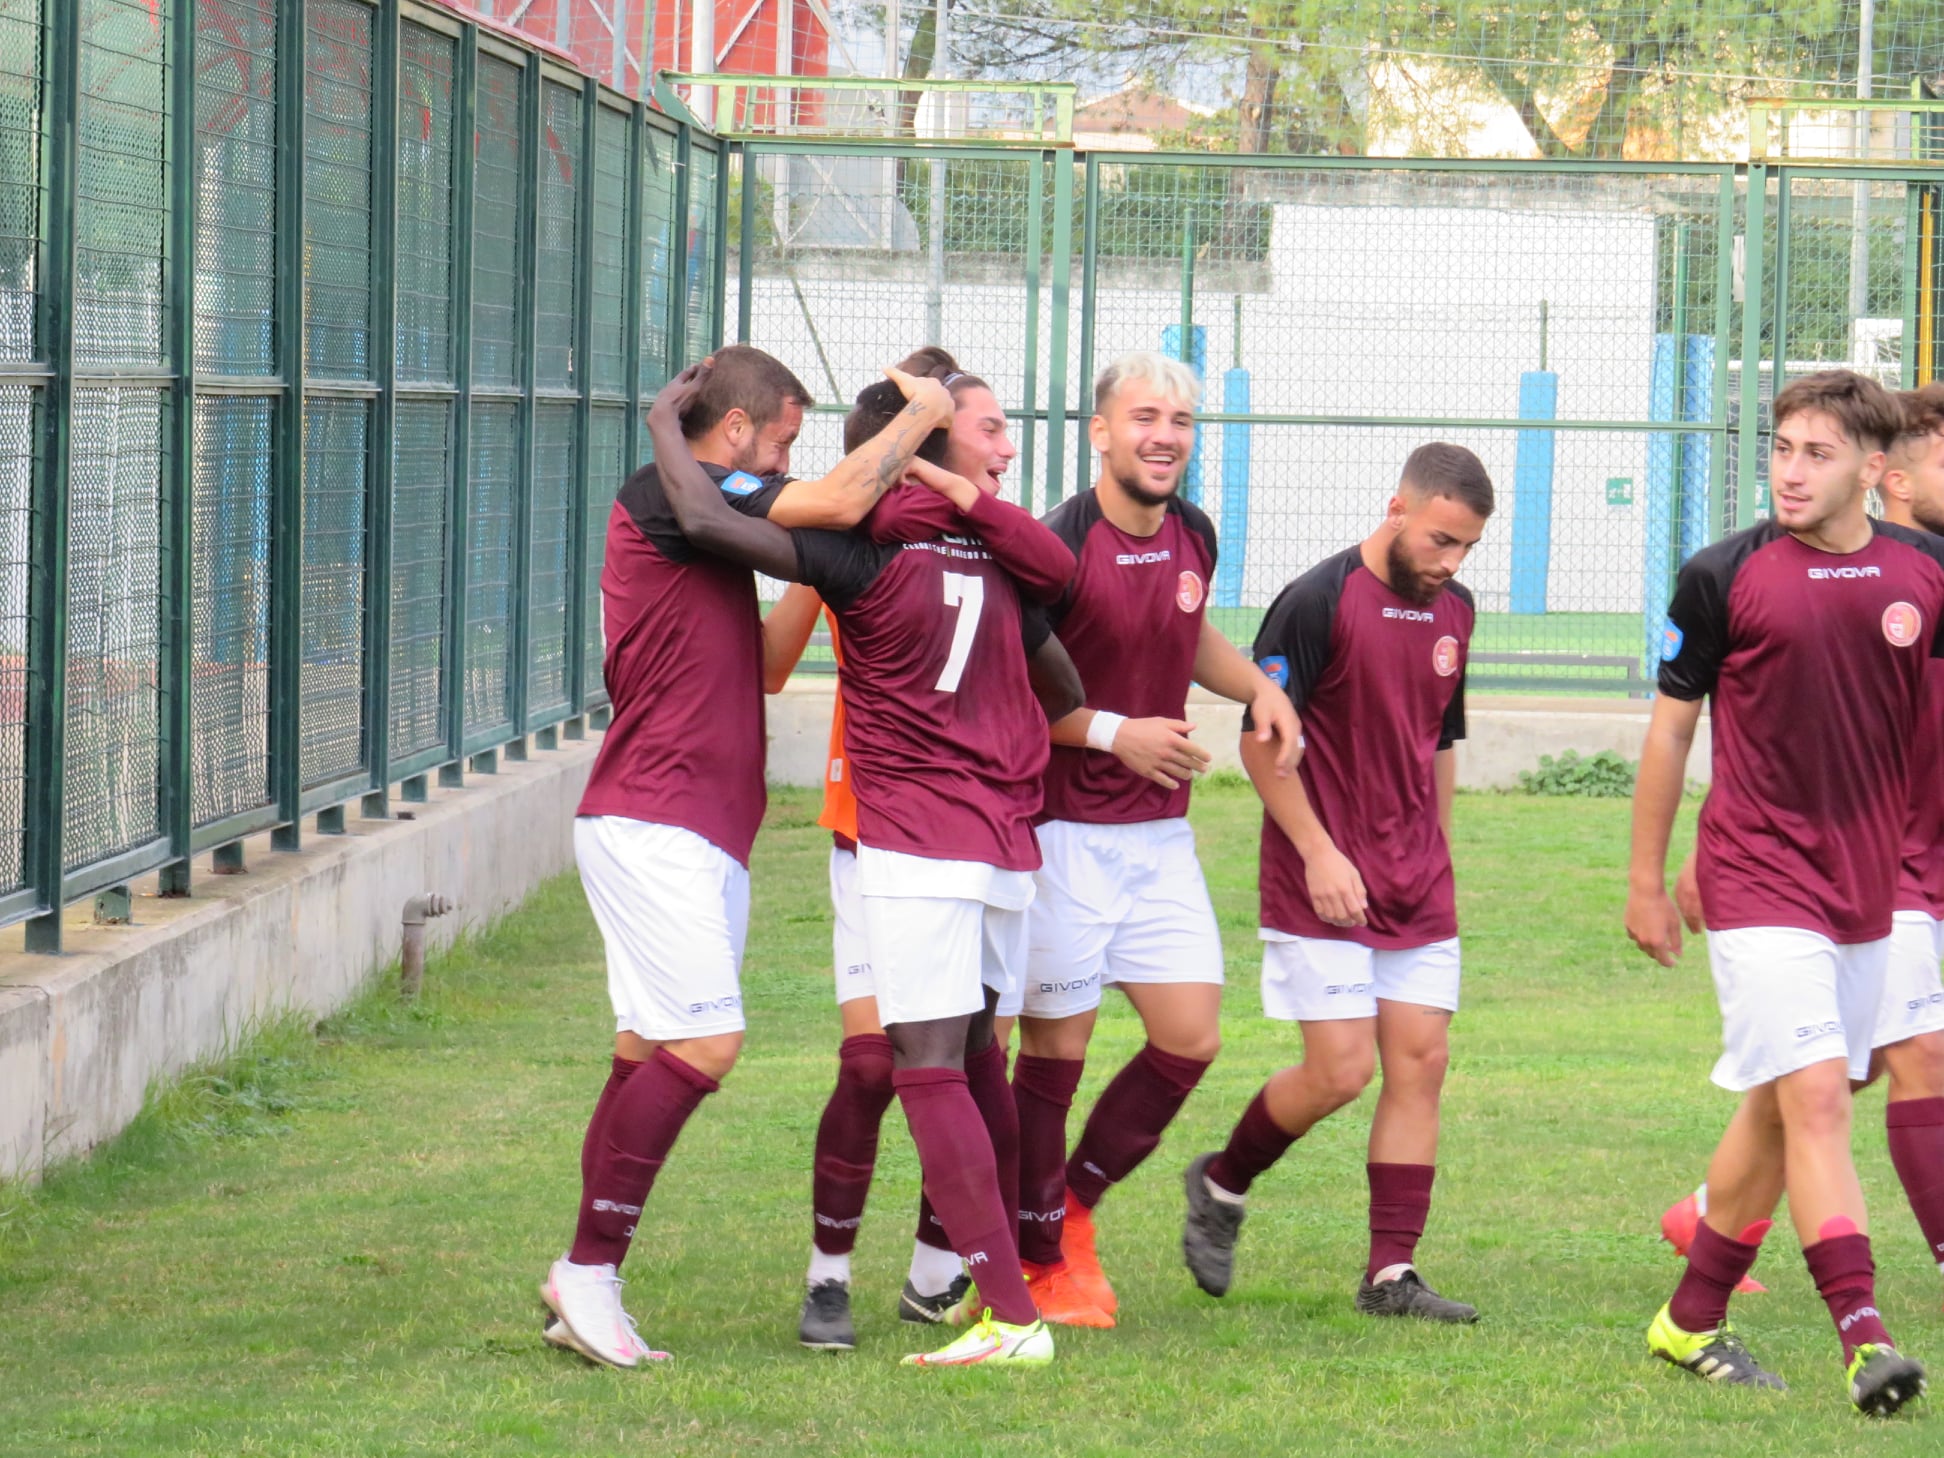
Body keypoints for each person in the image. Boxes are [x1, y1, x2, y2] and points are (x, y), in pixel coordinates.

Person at [650, 359, 1083, 1368]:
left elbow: (713, 526)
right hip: (1004, 845)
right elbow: (1059, 656)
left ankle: (1010, 1316)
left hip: (916, 845)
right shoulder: (999, 553)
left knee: (925, 1070)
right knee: (979, 1064)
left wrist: (666, 429)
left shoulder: (860, 554)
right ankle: (965, 1289)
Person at [538, 347, 954, 1369]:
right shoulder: (678, 489)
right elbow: (851, 490)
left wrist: (823, 568)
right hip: (656, 818)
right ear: (733, 435)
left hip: (696, 824)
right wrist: (927, 412)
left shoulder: (707, 522)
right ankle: (589, 1270)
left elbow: (767, 663)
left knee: (644, 1051)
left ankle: (583, 1280)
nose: (784, 464)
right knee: (708, 1042)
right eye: (781, 442)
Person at [1624, 370, 1941, 1414]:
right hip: (1756, 877)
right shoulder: (1723, 575)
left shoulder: (1924, 573)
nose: (1792, 471)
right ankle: (1865, 1338)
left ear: (1871, 470)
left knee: (1778, 1109)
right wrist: (1646, 880)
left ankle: (1687, 1322)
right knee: (1813, 1100)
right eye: (1782, 449)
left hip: (1871, 885)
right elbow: (1672, 730)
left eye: (1818, 453)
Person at [1007, 351, 1300, 1328]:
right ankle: (1038, 1255)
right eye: (1144, 416)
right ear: (1101, 431)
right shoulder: (1053, 547)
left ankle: (1074, 1209)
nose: (1164, 434)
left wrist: (1258, 684)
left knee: (1189, 1038)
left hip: (1157, 840)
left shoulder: (1193, 533)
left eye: (1179, 418)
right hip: (1062, 837)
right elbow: (1008, 700)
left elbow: (1187, 634)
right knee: (1058, 1048)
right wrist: (1115, 735)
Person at [1180, 443, 1493, 1327]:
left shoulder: (1456, 612)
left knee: (1421, 1064)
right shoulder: (1319, 600)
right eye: (1439, 541)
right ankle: (1222, 1181)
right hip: (1321, 874)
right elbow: (1259, 740)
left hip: (1415, 878)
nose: (1449, 564)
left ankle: (1391, 1274)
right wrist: (1320, 853)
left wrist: (1439, 850)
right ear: (1397, 507)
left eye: (1465, 549)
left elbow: (1438, 742)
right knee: (1342, 1069)